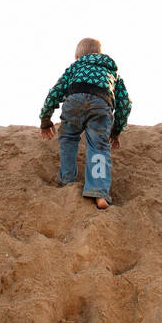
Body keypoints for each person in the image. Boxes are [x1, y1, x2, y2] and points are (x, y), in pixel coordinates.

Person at [39, 37, 131, 209]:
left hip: (74, 100)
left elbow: (56, 91)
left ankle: (67, 180)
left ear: (77, 57)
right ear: (100, 55)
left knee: (68, 138)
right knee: (99, 147)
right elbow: (125, 104)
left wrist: (45, 119)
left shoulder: (75, 67)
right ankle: (99, 193)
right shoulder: (112, 73)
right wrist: (116, 131)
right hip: (101, 104)